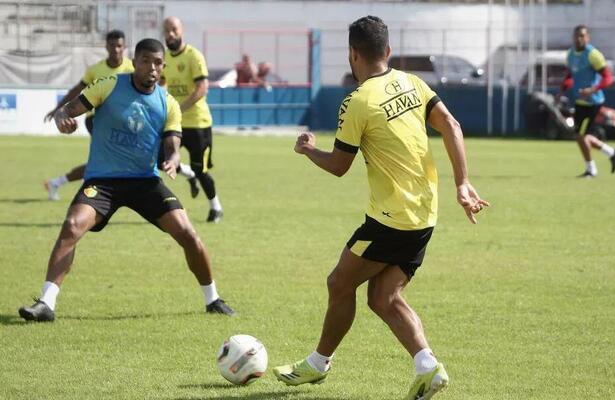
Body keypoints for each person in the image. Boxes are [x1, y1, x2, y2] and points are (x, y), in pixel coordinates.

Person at [272, 16, 489, 399]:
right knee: (382, 297)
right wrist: (463, 182)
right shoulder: (413, 82)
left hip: (392, 220)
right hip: (425, 215)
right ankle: (428, 367)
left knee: (340, 282)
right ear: (388, 51)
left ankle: (318, 364)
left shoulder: (357, 101)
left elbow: (339, 167)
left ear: (352, 54)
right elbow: (451, 125)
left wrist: (308, 151)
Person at [18, 38, 235, 323]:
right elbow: (69, 109)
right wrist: (62, 117)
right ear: (135, 62)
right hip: (103, 182)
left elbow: (172, 142)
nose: (152, 68)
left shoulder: (168, 103)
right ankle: (46, 303)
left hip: (145, 182)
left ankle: (213, 299)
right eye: (146, 61)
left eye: (157, 63)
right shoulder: (109, 85)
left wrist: (172, 159)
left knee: (188, 234)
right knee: (72, 226)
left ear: (163, 67)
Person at [43, 30, 134, 201]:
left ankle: (57, 183)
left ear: (124, 47)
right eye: (112, 45)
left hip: (122, 122)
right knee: (109, 161)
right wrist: (58, 109)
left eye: (119, 46)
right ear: (106, 46)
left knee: (107, 162)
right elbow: (77, 91)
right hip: (97, 120)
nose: (116, 49)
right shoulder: (96, 70)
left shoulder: (132, 68)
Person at [161, 17, 224, 222]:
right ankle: (190, 176)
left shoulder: (193, 56)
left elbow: (202, 88)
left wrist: (178, 108)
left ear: (182, 31)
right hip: (175, 124)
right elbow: (161, 85)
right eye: (167, 30)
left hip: (198, 124)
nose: (170, 34)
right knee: (165, 161)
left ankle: (216, 207)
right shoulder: (164, 59)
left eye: (174, 29)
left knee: (201, 169)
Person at [559, 25, 615, 178]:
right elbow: (570, 74)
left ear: (588, 38)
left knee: (581, 136)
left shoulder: (593, 54)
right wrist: (563, 89)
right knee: (582, 136)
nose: (579, 38)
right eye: (577, 36)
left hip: (593, 101)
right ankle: (611, 152)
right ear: (573, 37)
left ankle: (591, 170)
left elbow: (608, 78)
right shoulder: (571, 54)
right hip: (580, 101)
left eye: (582, 36)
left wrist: (592, 90)